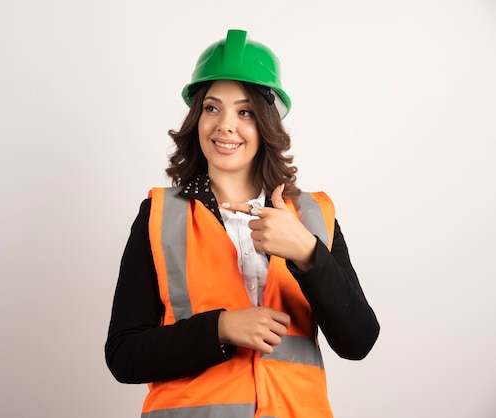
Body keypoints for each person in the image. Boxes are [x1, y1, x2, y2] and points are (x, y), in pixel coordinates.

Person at [105, 29, 380, 418]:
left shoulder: (313, 216)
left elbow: (359, 341)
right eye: (212, 108)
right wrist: (220, 329)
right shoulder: (159, 216)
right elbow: (123, 355)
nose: (225, 125)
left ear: (266, 123)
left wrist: (306, 253)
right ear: (196, 117)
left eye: (245, 111)